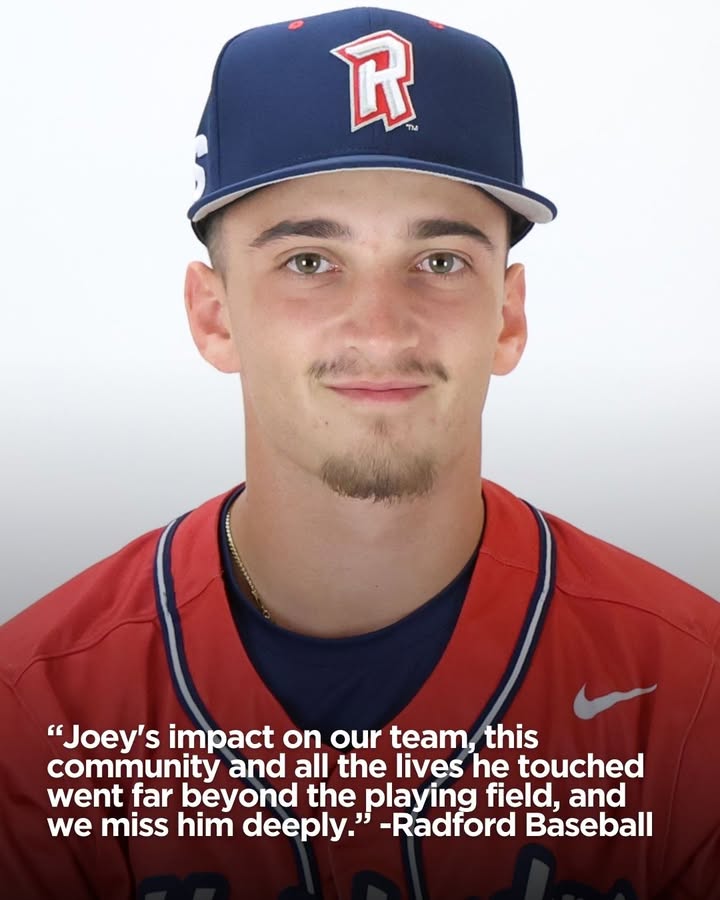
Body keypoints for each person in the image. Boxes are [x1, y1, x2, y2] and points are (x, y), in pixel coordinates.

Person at [0, 7, 717, 899]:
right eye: (309, 260)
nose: (381, 328)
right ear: (214, 315)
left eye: (442, 261)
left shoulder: (691, 691)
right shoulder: (39, 707)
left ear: (510, 313)